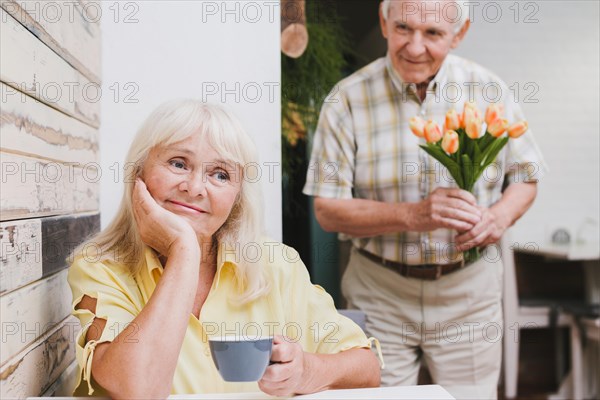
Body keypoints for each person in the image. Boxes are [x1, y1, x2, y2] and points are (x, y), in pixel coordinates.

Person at [303, 1, 547, 399]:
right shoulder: (345, 99)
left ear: (459, 33)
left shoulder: (488, 90)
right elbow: (327, 210)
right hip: (378, 291)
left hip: (468, 294)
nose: (415, 47)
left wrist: (498, 218)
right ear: (384, 23)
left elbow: (526, 178)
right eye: (403, 28)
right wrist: (413, 215)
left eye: (432, 33)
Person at [67, 100, 381, 398]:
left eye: (220, 174)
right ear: (139, 174)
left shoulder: (275, 263)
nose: (194, 188)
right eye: (178, 163)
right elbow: (138, 391)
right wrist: (184, 251)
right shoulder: (101, 266)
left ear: (237, 198)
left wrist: (304, 371)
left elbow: (367, 370)